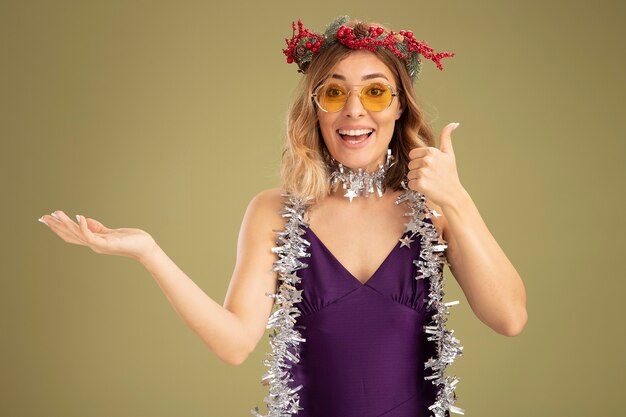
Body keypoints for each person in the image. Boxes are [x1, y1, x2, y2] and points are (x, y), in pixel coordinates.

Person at [38, 16, 527, 417]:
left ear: (400, 107)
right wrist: (149, 252)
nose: (354, 111)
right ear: (315, 108)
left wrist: (458, 201)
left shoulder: (435, 209)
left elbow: (509, 318)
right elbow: (233, 344)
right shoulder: (275, 211)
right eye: (334, 93)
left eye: (375, 93)